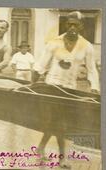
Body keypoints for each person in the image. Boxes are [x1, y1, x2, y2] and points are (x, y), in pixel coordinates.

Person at [32, 11, 100, 168]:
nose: (72, 28)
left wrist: (94, 87)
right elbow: (40, 66)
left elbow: (92, 69)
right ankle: (62, 157)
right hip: (51, 87)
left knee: (58, 123)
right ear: (65, 24)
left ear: (81, 26)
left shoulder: (87, 46)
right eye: (69, 24)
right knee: (58, 123)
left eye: (76, 25)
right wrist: (31, 84)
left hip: (70, 89)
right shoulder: (54, 42)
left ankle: (41, 149)